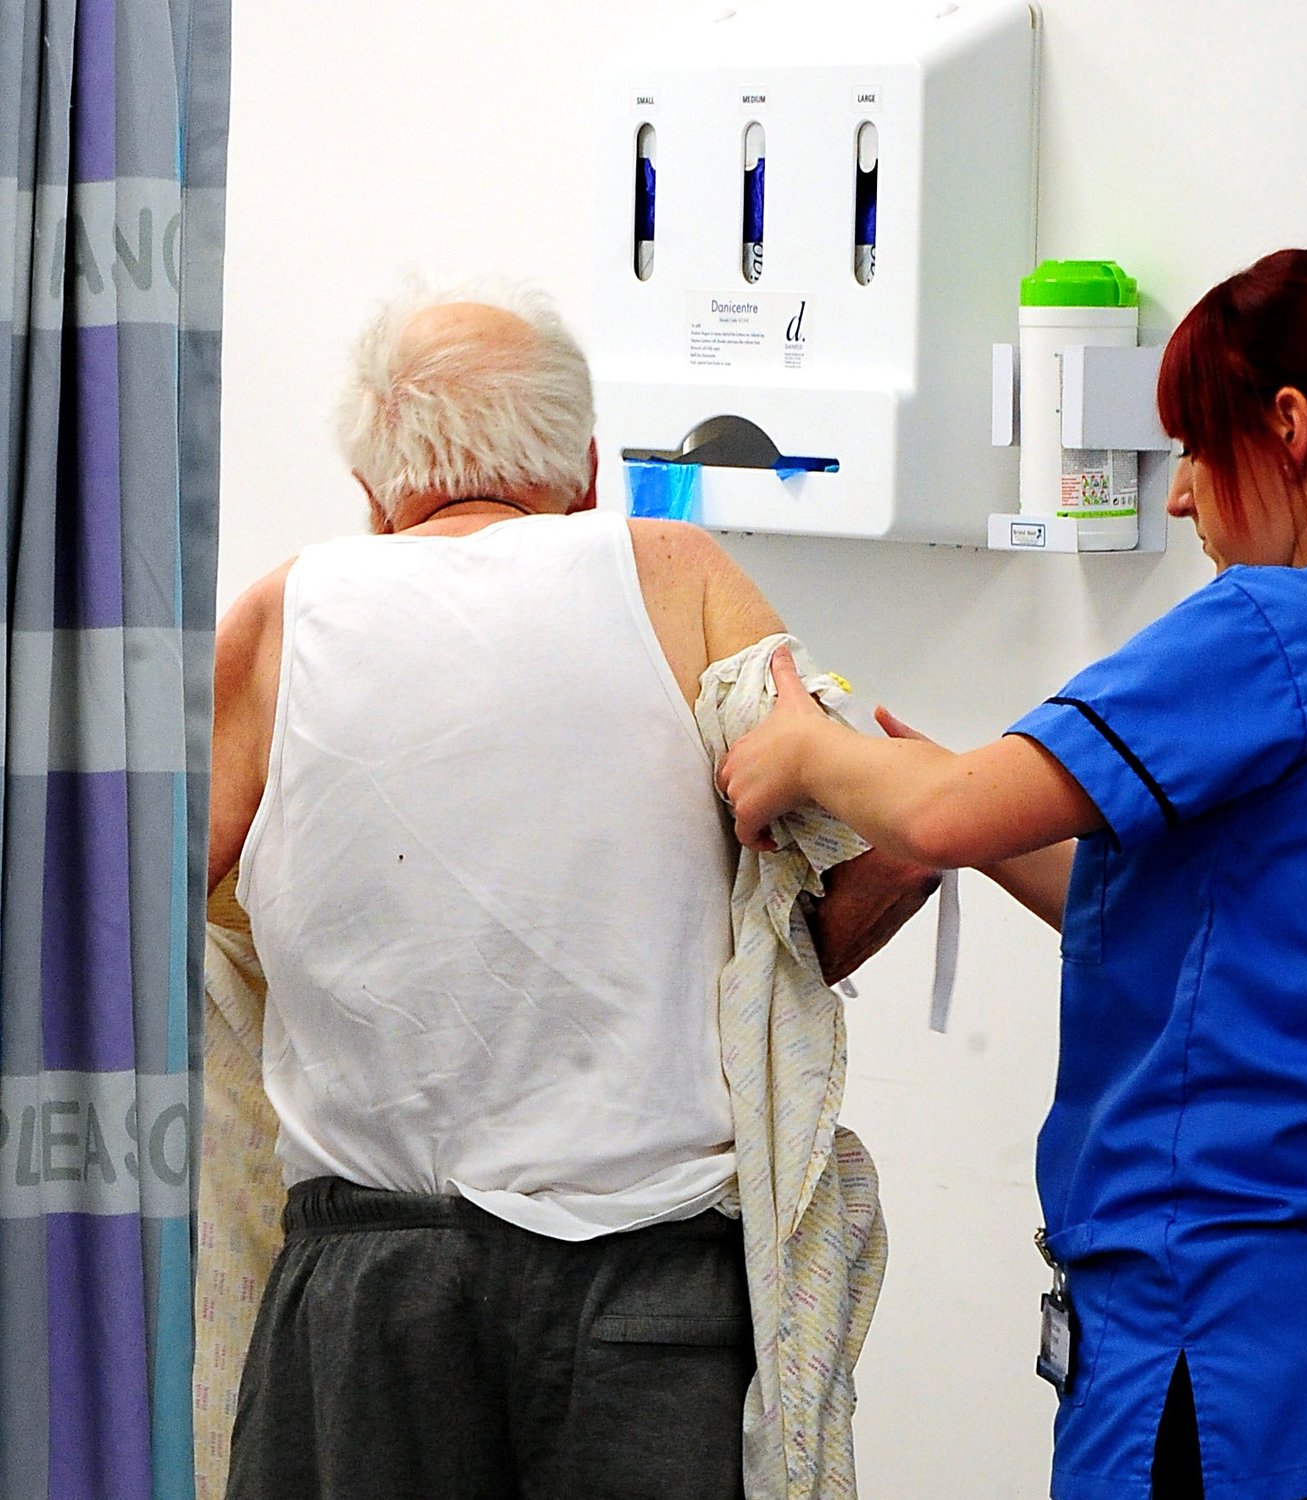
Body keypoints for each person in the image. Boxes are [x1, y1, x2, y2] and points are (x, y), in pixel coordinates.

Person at [719, 248, 1307, 1499]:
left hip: (1230, 1370)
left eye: (1194, 454)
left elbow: (943, 814)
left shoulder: (1273, 626)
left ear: (1286, 426)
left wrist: (802, 750)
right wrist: (959, 809)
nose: (1177, 504)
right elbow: (1213, 926)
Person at [208, 285, 934, 1499]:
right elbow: (890, 848)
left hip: (367, 1293)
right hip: (644, 1295)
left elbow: (131, 908)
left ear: (374, 494)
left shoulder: (290, 610)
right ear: (589, 468)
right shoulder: (668, 568)